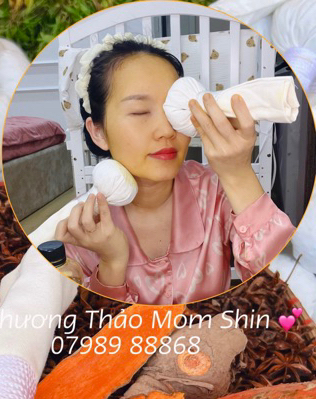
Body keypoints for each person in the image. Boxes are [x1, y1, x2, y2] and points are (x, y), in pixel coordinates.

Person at [55, 33, 295, 304]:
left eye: (174, 111)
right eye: (140, 112)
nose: (167, 131)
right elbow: (95, 326)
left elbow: (285, 291)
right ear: (98, 132)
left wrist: (238, 174)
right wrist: (112, 264)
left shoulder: (215, 191)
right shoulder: (83, 227)